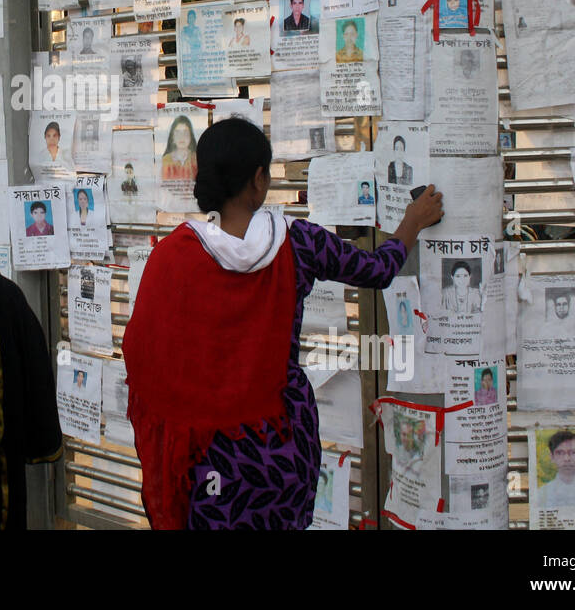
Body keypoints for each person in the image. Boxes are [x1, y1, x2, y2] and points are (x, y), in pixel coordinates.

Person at [123, 118, 442, 529]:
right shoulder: (298, 241)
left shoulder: (171, 256)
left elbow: (140, 354)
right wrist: (413, 221)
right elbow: (377, 270)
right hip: (280, 444)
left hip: (207, 458)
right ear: (259, 179)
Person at [161, 115, 197, 181]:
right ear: (173, 137)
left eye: (185, 133)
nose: (181, 137)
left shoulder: (196, 159)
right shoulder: (166, 160)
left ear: (190, 136)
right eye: (178, 133)